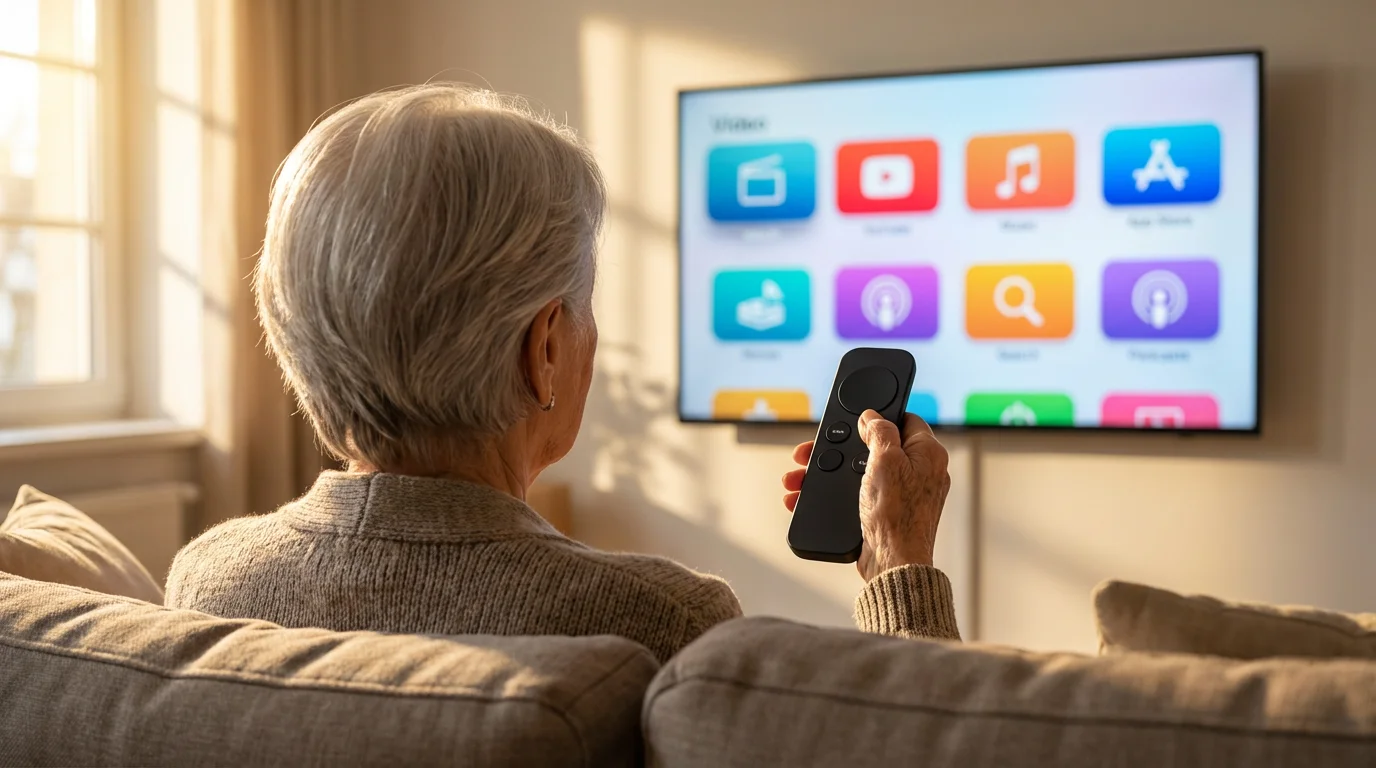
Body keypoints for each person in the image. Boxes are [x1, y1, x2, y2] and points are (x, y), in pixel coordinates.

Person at [164, 84, 958, 663]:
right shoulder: (658, 622)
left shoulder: (207, 582)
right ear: (545, 348)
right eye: (581, 307)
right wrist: (900, 564)